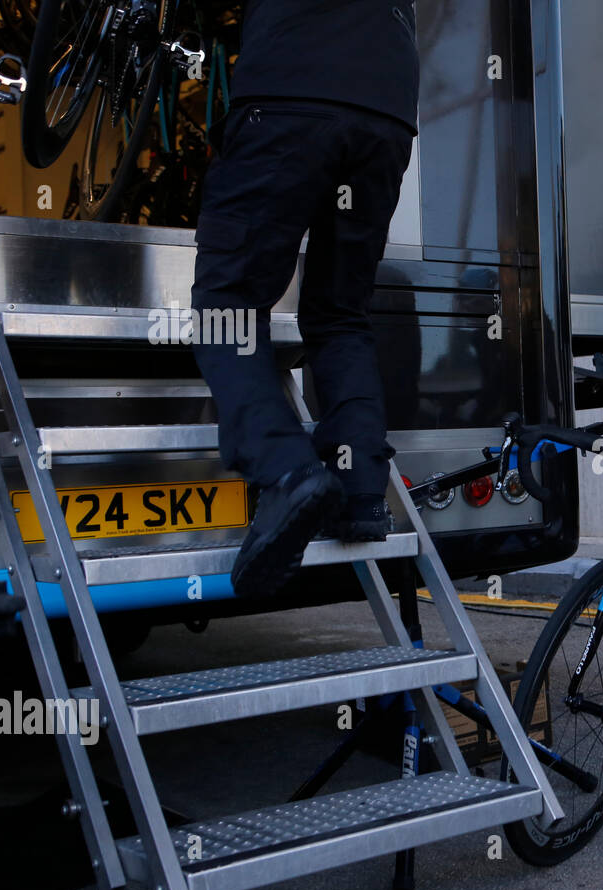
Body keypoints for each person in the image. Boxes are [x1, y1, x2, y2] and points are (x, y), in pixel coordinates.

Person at [189, 1, 419, 598]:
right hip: (387, 111)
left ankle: (284, 470)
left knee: (227, 302)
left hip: (289, 92)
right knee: (341, 310)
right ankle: (363, 487)